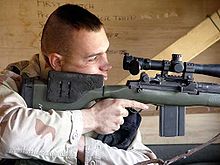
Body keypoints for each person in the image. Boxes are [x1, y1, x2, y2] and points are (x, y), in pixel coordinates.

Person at [0, 4, 157, 165]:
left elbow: (146, 162)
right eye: (93, 58)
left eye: (105, 53)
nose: (107, 65)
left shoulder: (104, 99)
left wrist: (84, 147)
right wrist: (92, 118)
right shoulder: (11, 84)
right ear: (57, 61)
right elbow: (10, 136)